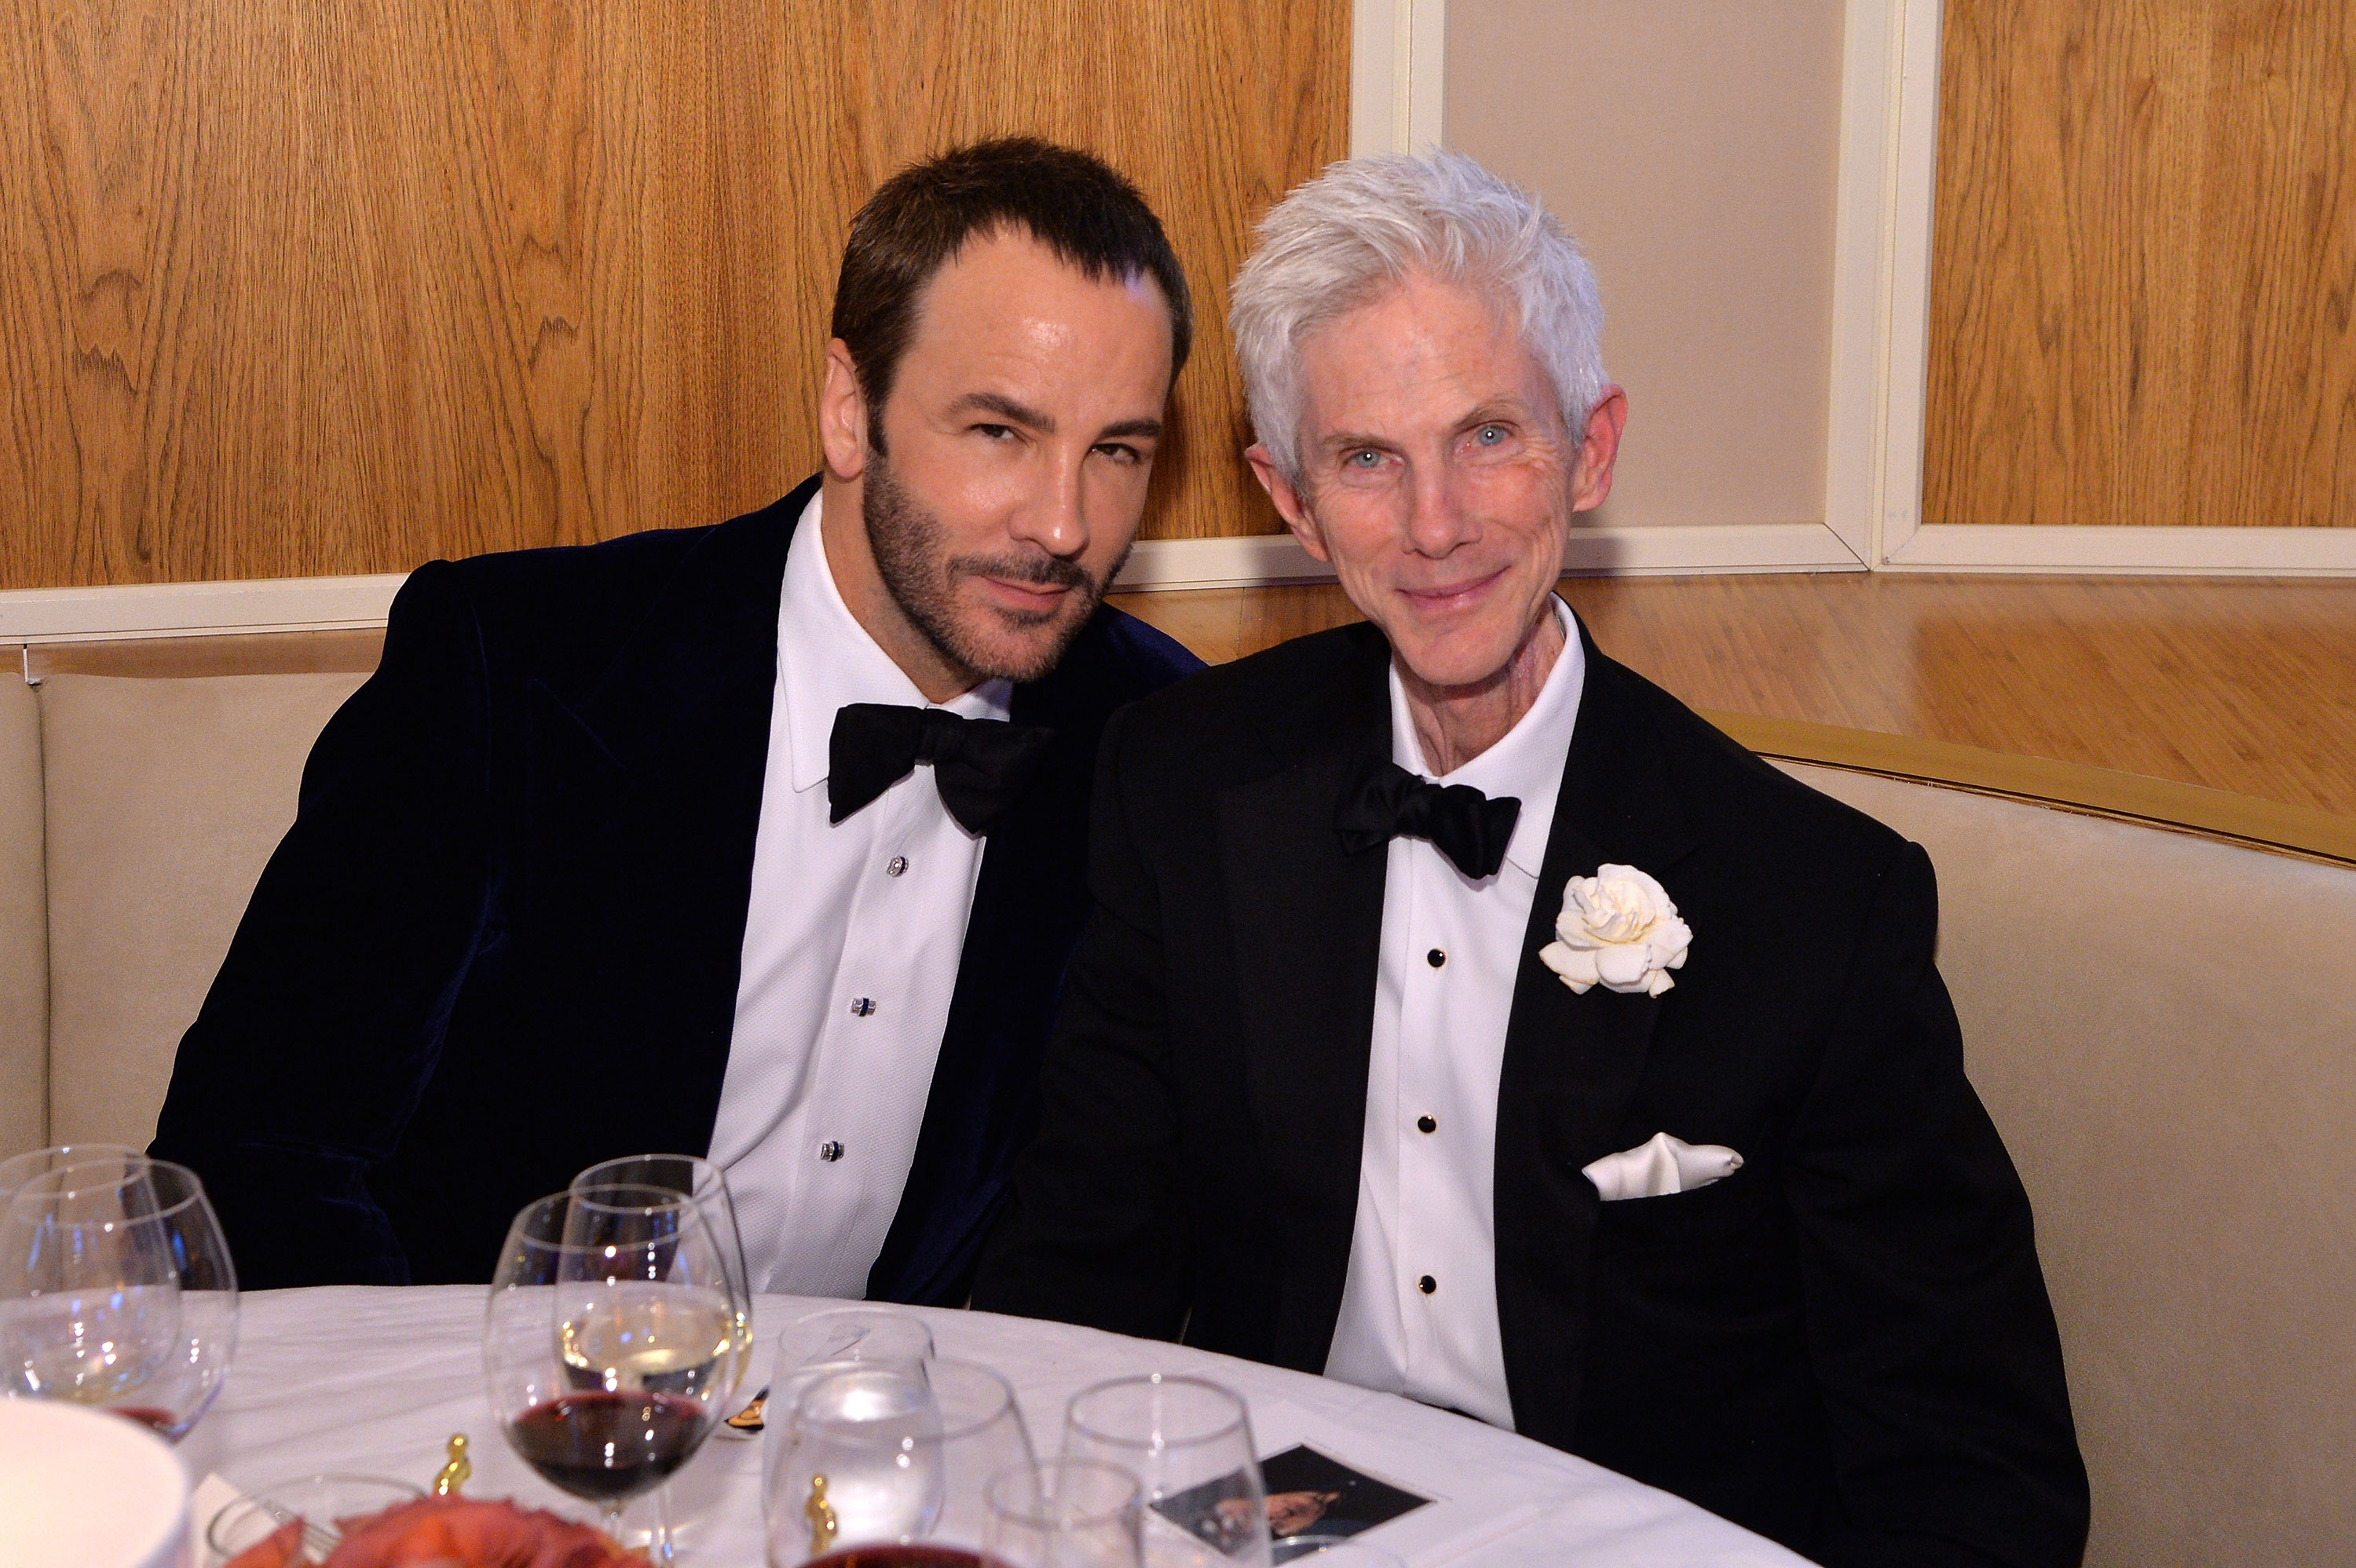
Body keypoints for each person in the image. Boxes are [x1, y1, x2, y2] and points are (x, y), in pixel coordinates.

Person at [972, 153, 2088, 1566]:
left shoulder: (1813, 898)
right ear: (1290, 500)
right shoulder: (1186, 782)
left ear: (1593, 447)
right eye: (1367, 458)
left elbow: (1973, 1458)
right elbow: (1078, 1269)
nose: (1436, 524)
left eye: (1490, 434)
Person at [151, 138, 1201, 1301]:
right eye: (1000, 431)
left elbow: (1133, 1235)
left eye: (1114, 450)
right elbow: (261, 1156)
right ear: (851, 411)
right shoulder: (519, 668)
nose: (1063, 523)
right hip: (494, 1419)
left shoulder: (1157, 744)